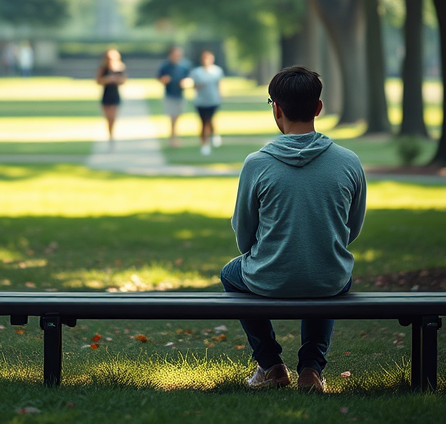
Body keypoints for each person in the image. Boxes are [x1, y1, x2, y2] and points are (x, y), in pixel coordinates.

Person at [221, 66, 366, 393]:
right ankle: (311, 369)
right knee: (329, 269)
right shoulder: (349, 161)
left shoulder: (256, 163)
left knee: (231, 273)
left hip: (268, 276)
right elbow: (351, 229)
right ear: (318, 108)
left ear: (277, 109)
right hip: (329, 277)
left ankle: (270, 364)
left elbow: (244, 236)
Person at [189, 49, 224, 155]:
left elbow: (219, 85)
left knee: (210, 120)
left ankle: (214, 135)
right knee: (203, 122)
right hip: (201, 101)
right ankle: (204, 144)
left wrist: (220, 96)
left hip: (213, 100)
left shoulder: (217, 71)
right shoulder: (197, 72)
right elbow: (193, 85)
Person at [156, 45, 191, 147]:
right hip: (170, 94)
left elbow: (190, 78)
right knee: (172, 116)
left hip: (180, 94)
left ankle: (174, 137)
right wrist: (164, 80)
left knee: (177, 116)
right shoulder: (165, 66)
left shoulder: (185, 65)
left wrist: (186, 82)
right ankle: (173, 138)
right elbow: (159, 78)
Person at [95, 49, 127, 146]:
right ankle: (110, 135)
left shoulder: (120, 68)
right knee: (107, 118)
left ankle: (112, 136)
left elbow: (123, 80)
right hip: (106, 95)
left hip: (115, 94)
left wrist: (116, 80)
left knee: (113, 118)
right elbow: (98, 80)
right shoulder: (103, 68)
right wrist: (107, 80)